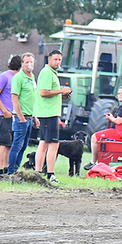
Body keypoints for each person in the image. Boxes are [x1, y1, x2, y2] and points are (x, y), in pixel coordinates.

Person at [35, 49, 71, 183]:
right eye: (55, 59)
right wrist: (62, 90)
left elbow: (50, 92)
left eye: (59, 59)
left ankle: (38, 173)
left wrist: (63, 94)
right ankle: (50, 174)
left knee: (44, 143)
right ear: (49, 60)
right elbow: (43, 92)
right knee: (53, 144)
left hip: (48, 112)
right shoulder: (47, 73)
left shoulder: (52, 73)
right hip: (49, 113)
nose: (57, 62)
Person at [84, 86, 122, 170]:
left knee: (94, 137)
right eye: (119, 94)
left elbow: (119, 121)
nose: (120, 95)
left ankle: (93, 162)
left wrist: (111, 118)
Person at [7, 53, 40, 175]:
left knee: (24, 146)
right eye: (27, 62)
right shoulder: (18, 78)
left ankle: (16, 170)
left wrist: (35, 116)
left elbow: (33, 99)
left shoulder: (32, 77)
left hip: (30, 117)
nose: (29, 64)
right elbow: (15, 99)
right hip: (21, 117)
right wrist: (21, 117)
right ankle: (11, 171)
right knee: (17, 145)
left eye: (31, 62)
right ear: (22, 64)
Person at [0, 55, 22, 174]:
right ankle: (0, 170)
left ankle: (6, 167)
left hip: (15, 115)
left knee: (10, 144)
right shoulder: (4, 76)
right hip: (5, 115)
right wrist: (4, 111)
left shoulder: (19, 78)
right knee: (3, 143)